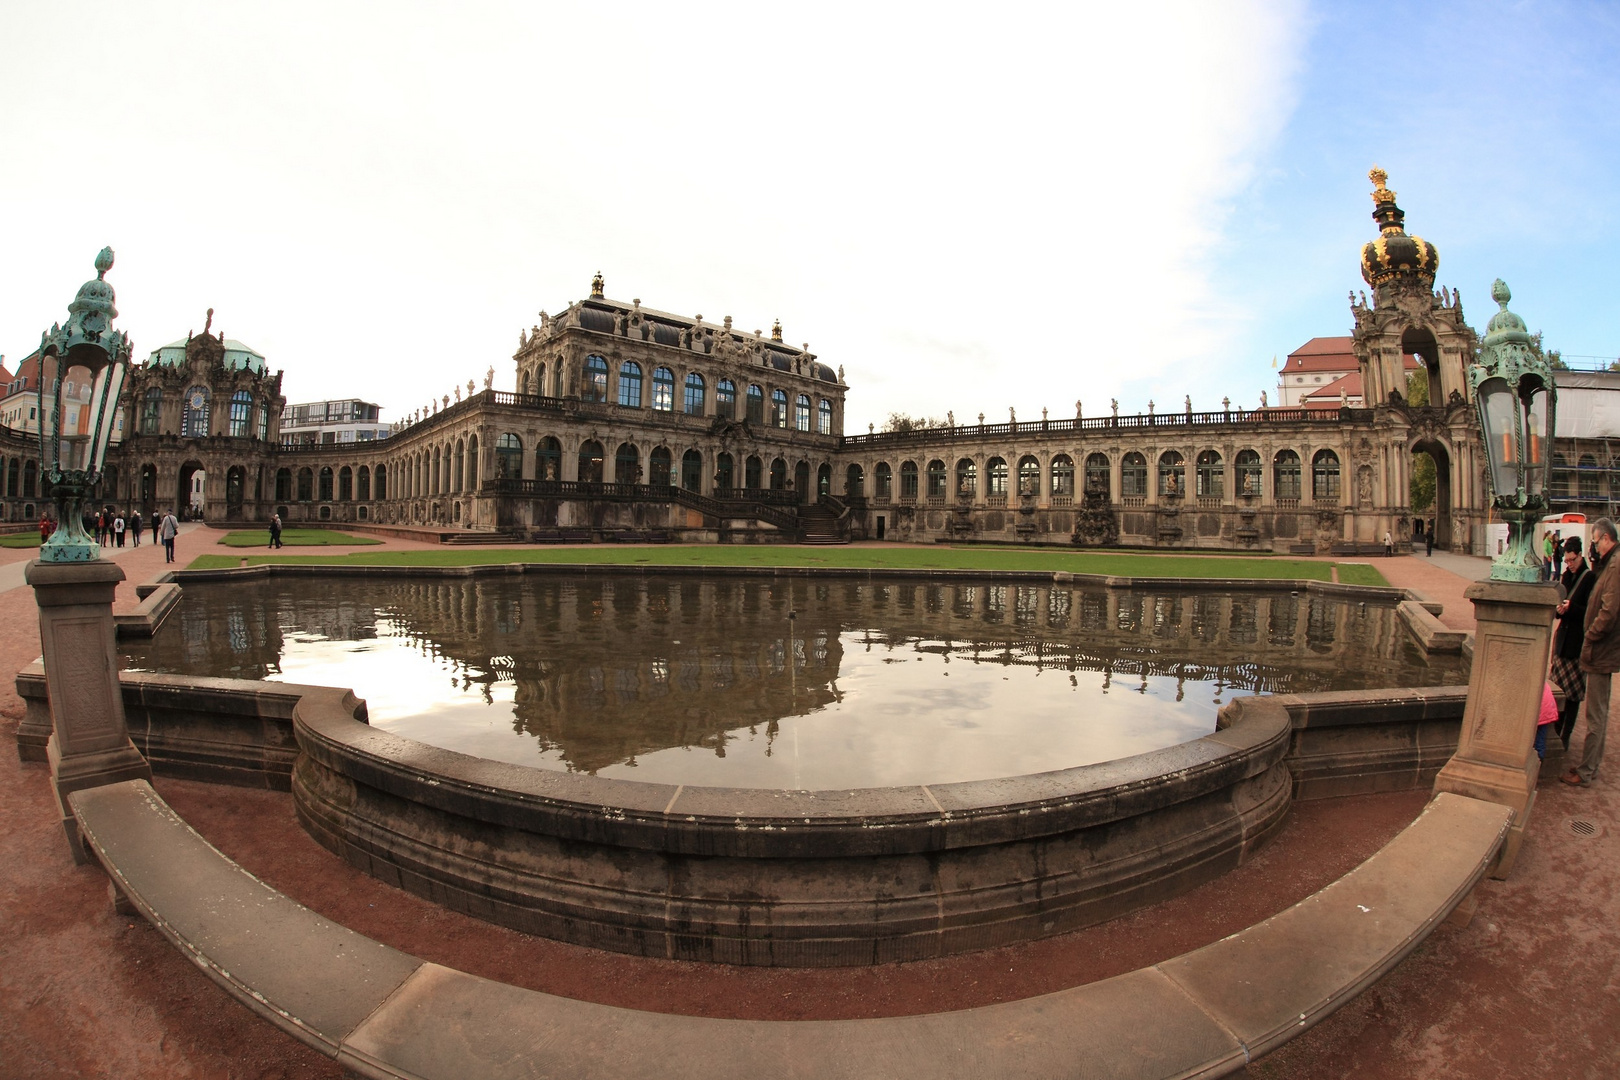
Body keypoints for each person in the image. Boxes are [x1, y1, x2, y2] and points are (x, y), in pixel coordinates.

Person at [1566, 517, 1620, 788]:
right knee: (1597, 711)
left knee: (1595, 715)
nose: (1594, 546)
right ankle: (1590, 765)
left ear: (1607, 538)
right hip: (1602, 649)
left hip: (1601, 649)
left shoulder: (1616, 564)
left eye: (1596, 541)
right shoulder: (1610, 563)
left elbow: (1609, 612)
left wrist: (1590, 636)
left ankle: (1586, 771)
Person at [1552, 536, 1596, 749]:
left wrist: (1572, 609)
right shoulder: (1566, 576)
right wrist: (1559, 610)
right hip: (1562, 642)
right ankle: (1556, 730)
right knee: (1559, 692)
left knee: (1573, 695)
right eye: (1567, 560)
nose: (1569, 564)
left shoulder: (1589, 578)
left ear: (1580, 556)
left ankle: (1565, 736)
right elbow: (1558, 607)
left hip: (1577, 644)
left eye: (1572, 560)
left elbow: (1591, 612)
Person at [1534, 680, 1559, 761]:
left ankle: (1538, 759)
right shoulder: (1542, 682)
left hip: (1539, 714)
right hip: (1547, 712)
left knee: (1537, 742)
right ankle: (1540, 760)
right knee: (1540, 741)